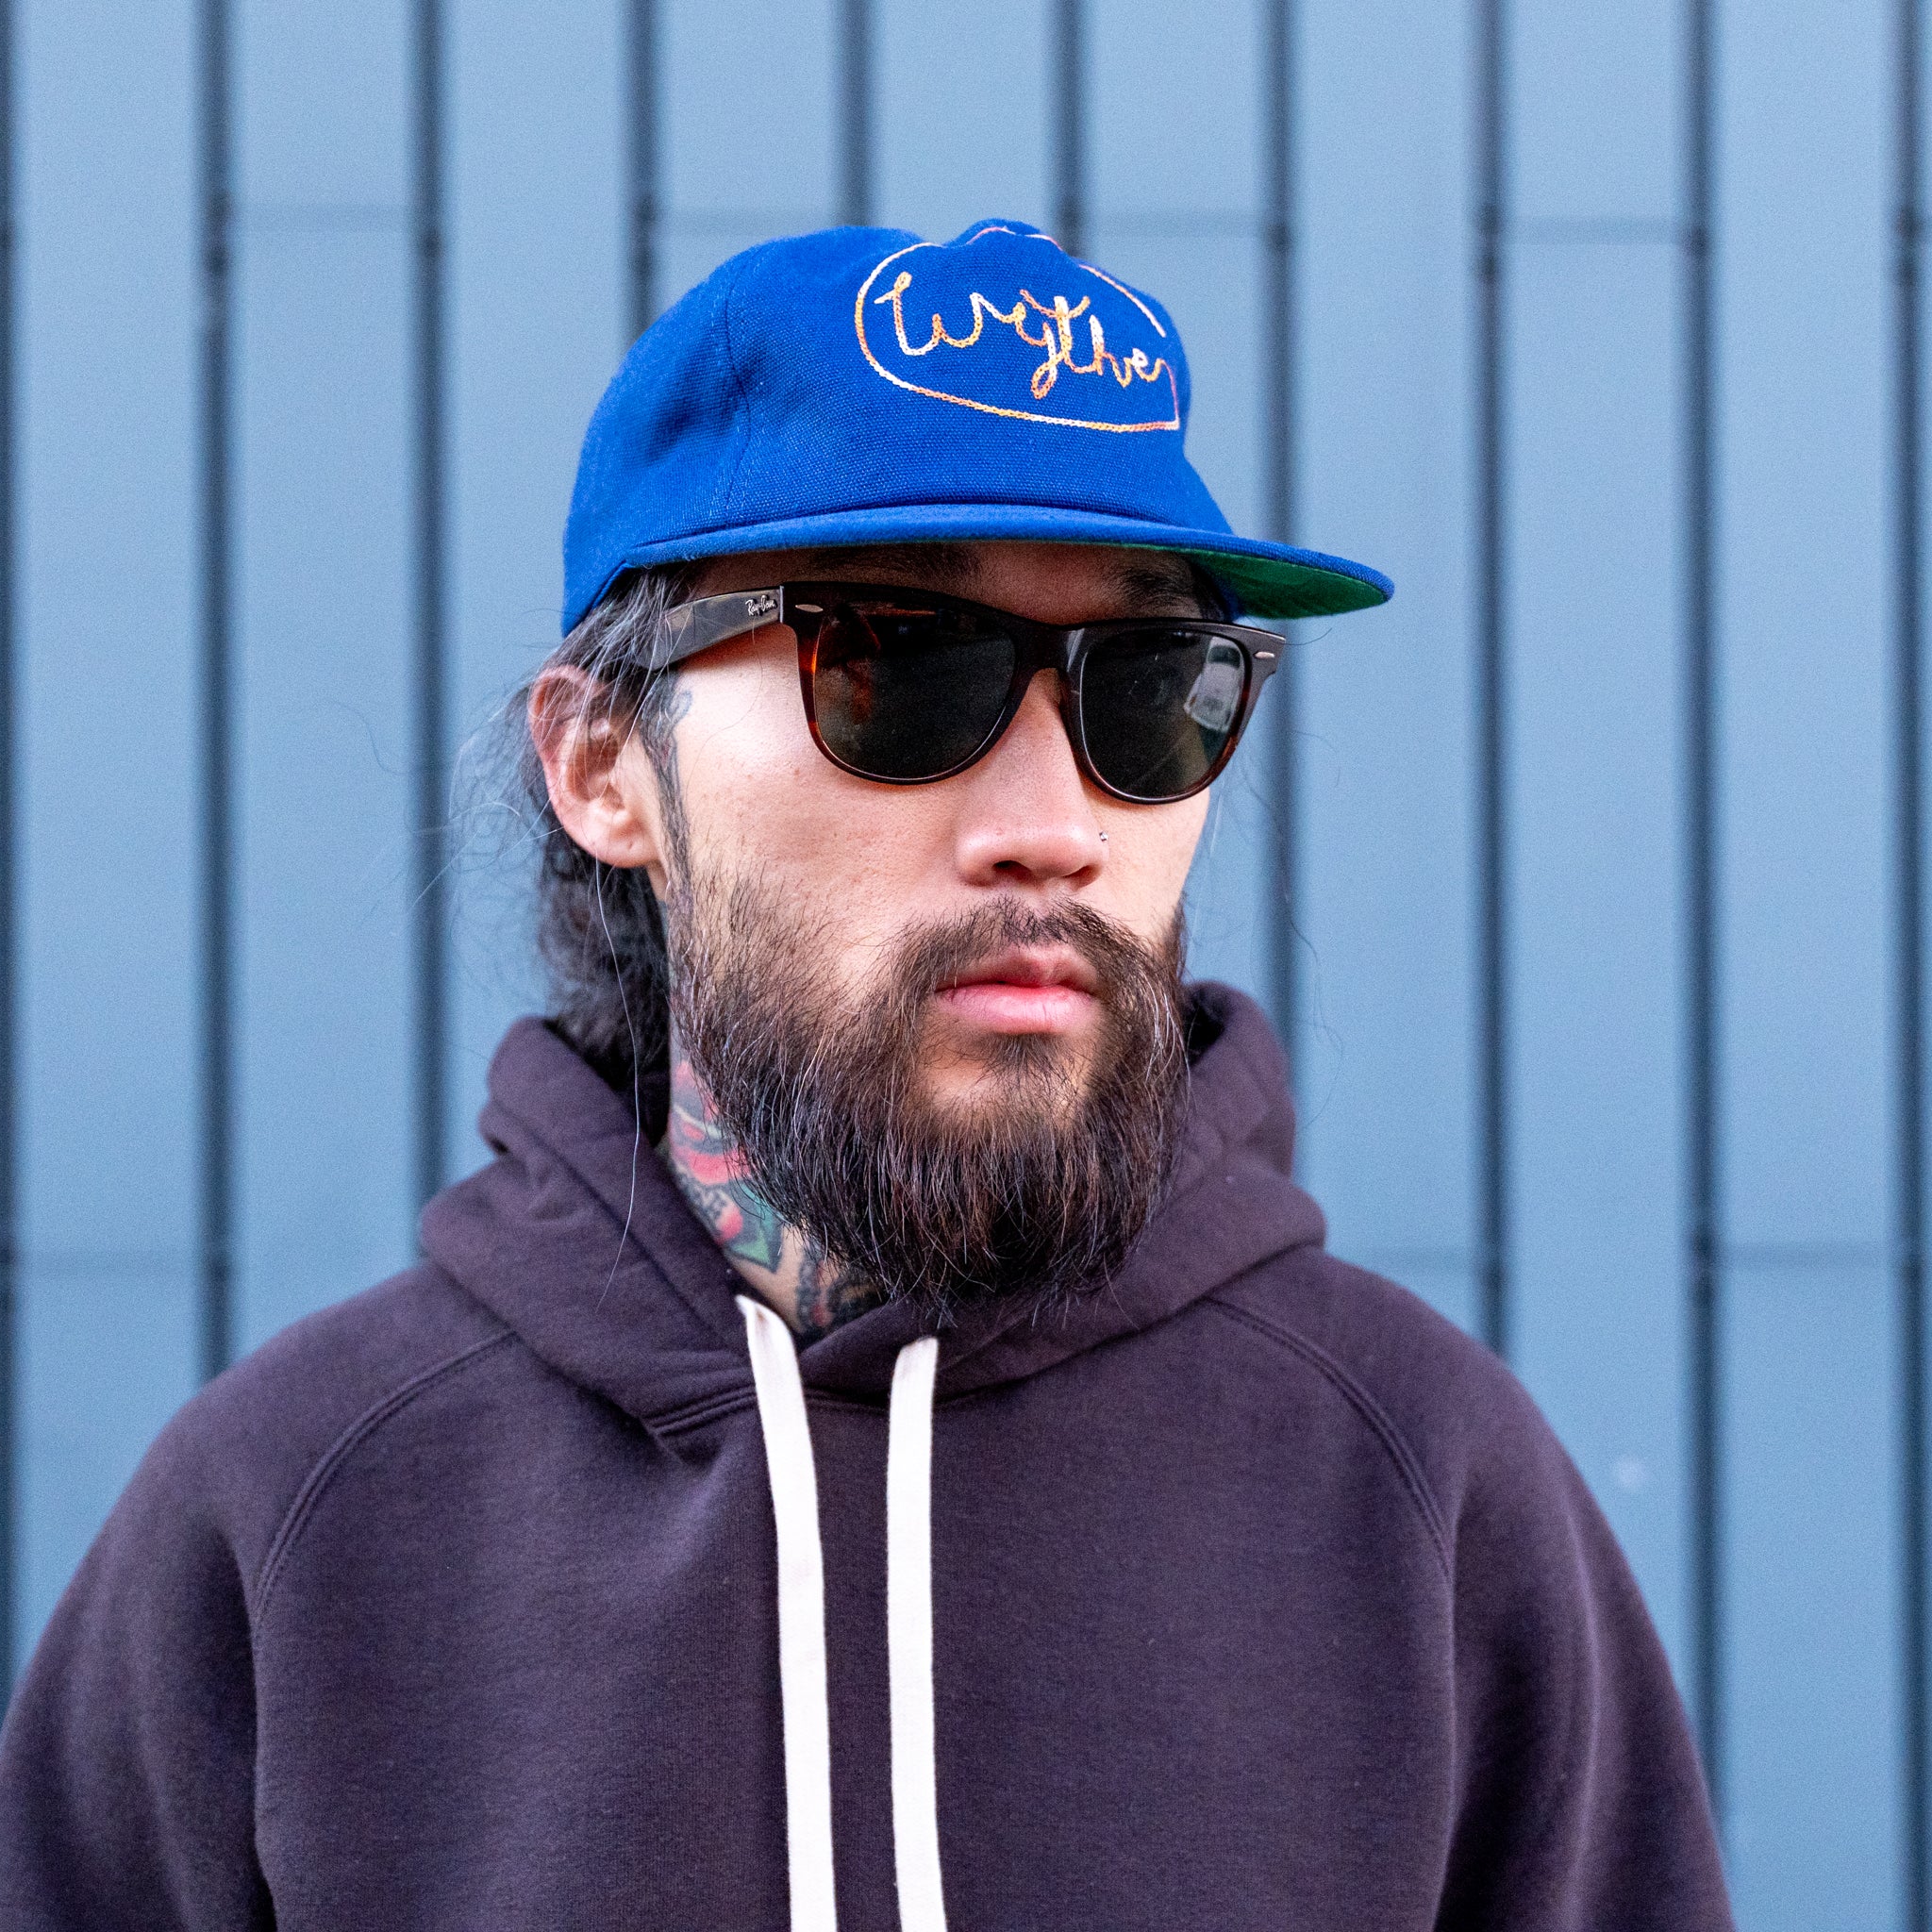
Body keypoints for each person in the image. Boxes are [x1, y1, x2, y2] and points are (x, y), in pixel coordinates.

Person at [0, 219, 1732, 1929]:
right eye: (897, 665)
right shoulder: (300, 1513)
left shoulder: (1420, 1485)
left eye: (1153, 689)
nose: (1055, 827)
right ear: (604, 765)